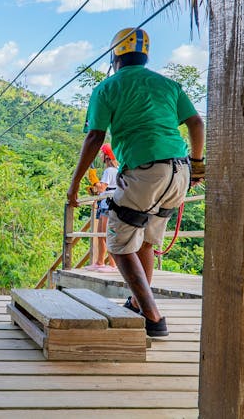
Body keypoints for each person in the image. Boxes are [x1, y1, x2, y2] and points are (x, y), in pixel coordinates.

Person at [67, 27, 205, 338]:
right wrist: (197, 165)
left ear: (115, 55)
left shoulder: (107, 88)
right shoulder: (168, 84)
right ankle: (137, 303)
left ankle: (153, 317)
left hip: (145, 172)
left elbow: (95, 136)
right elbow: (196, 123)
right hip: (179, 171)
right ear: (145, 55)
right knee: (144, 240)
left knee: (117, 242)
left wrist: (75, 183)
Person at [86, 143, 119, 272]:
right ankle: (100, 262)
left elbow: (102, 187)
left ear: (106, 156)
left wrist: (94, 180)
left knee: (106, 235)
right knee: (100, 235)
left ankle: (112, 264)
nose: (100, 155)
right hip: (106, 203)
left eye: (101, 153)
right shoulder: (116, 170)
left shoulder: (109, 171)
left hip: (108, 205)